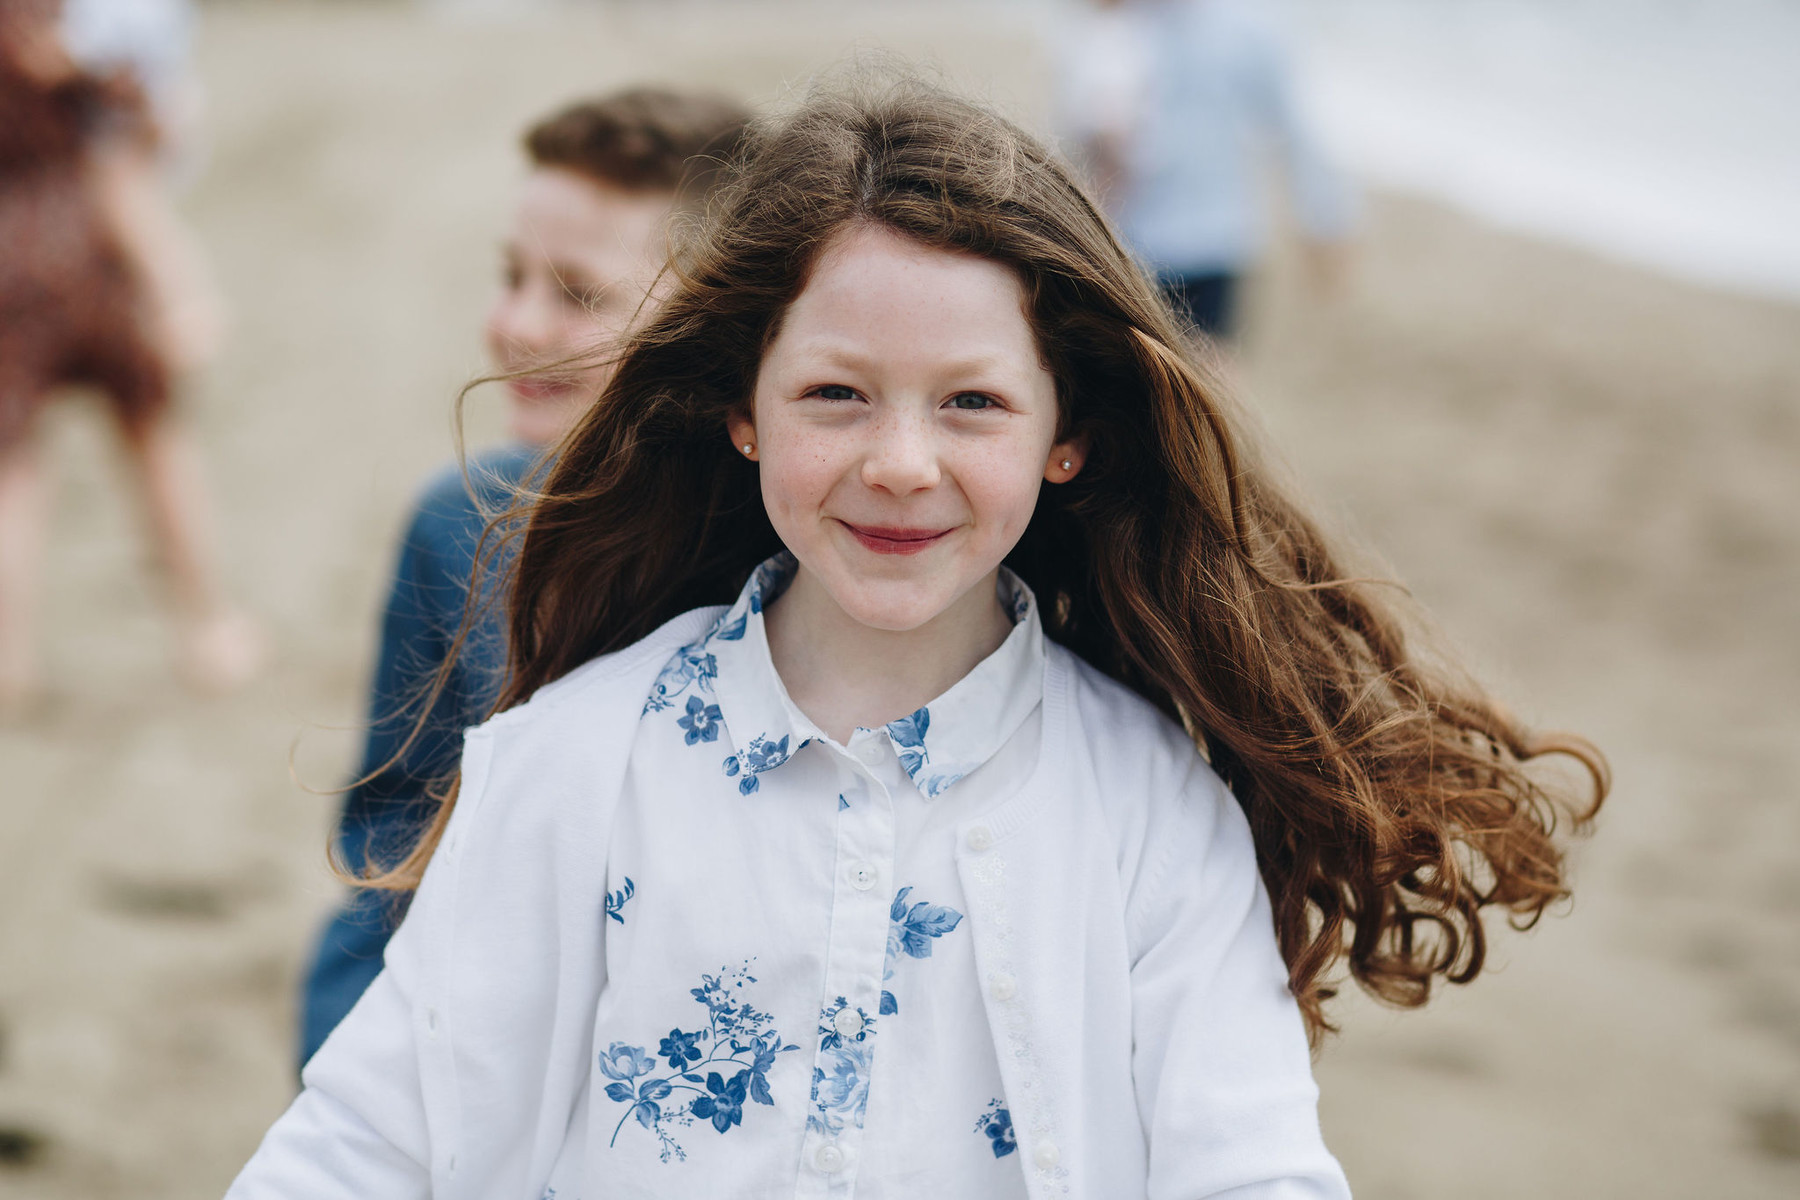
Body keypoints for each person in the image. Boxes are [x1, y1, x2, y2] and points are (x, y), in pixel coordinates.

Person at [232, 75, 1606, 1197]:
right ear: (744, 409)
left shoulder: (1151, 809)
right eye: (837, 392)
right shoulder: (568, 766)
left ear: (1066, 433)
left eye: (970, 405)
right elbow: (364, 1146)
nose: (900, 462)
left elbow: (1251, 1170)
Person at [294, 86, 753, 1068]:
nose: (512, 324)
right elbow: (389, 855)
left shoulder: (805, 568)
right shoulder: (458, 524)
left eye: (578, 293)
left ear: (724, 323)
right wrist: (335, 1071)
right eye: (511, 277)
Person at [0, 0, 256, 717]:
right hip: (92, 254)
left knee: (15, 469)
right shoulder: (52, 29)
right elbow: (131, 130)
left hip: (9, 264)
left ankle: (9, 659)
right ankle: (206, 627)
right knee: (154, 436)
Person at [1055, 0, 1355, 339]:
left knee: (1209, 373)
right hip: (1124, 239)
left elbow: (1294, 132)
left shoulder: (1248, 30)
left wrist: (1326, 221)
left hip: (1213, 243)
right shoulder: (1112, 24)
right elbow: (1071, 134)